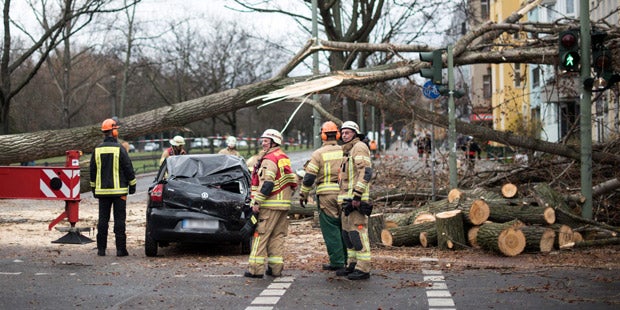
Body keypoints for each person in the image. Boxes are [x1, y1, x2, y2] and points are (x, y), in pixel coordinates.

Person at [244, 129, 298, 278]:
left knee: (260, 235)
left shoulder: (269, 159)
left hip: (269, 205)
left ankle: (255, 269)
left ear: (274, 142)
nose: (263, 143)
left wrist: (257, 202)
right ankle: (275, 269)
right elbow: (291, 180)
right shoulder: (283, 157)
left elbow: (267, 183)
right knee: (277, 236)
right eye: (263, 140)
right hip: (283, 205)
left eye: (266, 141)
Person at [299, 121, 347, 272]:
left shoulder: (318, 154)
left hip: (327, 195)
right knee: (344, 227)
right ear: (338, 134)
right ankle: (348, 260)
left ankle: (338, 262)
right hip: (345, 193)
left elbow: (308, 178)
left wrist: (303, 194)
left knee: (331, 228)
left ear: (323, 136)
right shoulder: (344, 150)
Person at [90, 118, 137, 257]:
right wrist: (132, 185)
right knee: (119, 221)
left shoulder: (97, 150)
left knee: (103, 221)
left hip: (102, 192)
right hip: (119, 192)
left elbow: (92, 170)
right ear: (114, 131)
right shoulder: (120, 149)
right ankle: (120, 249)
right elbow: (128, 167)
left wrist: (94, 188)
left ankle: (101, 249)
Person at [337, 121, 373, 280]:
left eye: (348, 132)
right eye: (343, 132)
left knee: (358, 233)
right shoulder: (348, 150)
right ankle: (352, 263)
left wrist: (357, 196)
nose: (344, 135)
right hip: (347, 201)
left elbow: (366, 172)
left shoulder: (359, 147)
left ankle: (363, 268)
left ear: (355, 134)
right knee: (348, 234)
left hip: (355, 200)